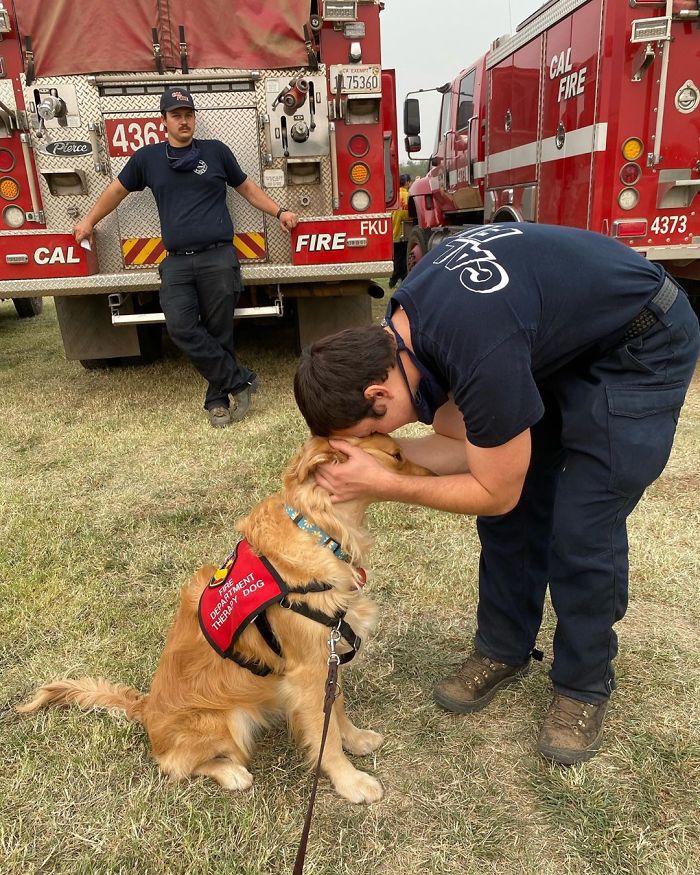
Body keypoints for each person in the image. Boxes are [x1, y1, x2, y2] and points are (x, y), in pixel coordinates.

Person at [293, 223, 700, 765]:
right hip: (562, 340)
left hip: (640, 340)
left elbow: (494, 488)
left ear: (377, 393)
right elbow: (467, 445)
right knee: (515, 511)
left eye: (370, 433)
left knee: (582, 523)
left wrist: (384, 482)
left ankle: (583, 685)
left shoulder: (475, 345)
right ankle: (504, 649)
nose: (380, 442)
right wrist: (389, 461)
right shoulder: (404, 331)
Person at [74, 86, 298, 428]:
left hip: (218, 258)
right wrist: (89, 221)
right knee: (181, 327)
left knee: (219, 331)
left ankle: (217, 400)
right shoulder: (147, 159)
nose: (184, 121)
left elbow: (248, 189)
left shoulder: (217, 153)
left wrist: (279, 211)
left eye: (188, 115)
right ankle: (240, 379)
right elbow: (116, 191)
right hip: (176, 261)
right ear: (163, 121)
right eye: (176, 116)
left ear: (195, 119)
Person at [388, 174, 410, 288]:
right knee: (403, 257)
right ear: (406, 183)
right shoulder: (409, 196)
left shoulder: (392, 196)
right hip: (405, 233)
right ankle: (398, 279)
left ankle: (395, 279)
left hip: (392, 232)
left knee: (396, 257)